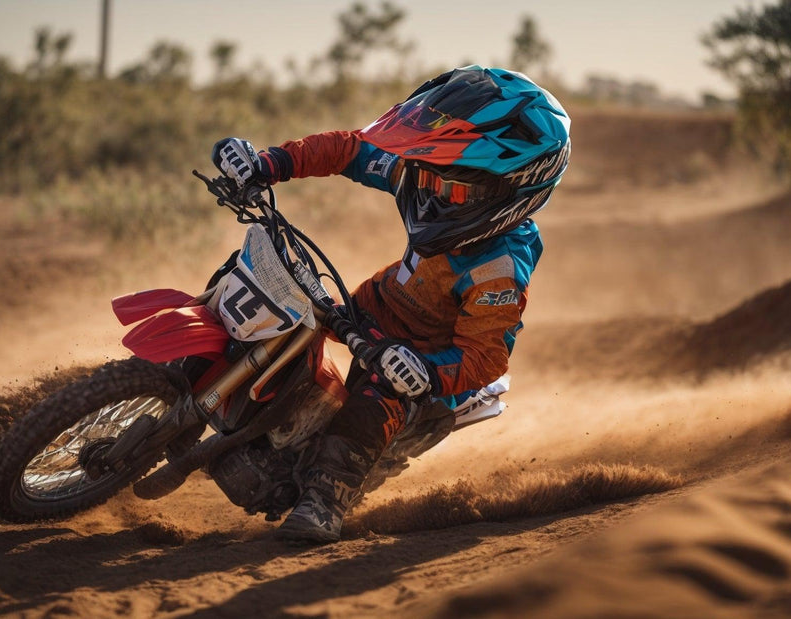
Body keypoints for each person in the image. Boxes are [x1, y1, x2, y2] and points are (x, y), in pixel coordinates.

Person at [210, 65, 571, 543]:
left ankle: (323, 503)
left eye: (455, 188)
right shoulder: (423, 176)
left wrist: (426, 369)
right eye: (432, 175)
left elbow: (487, 355)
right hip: (378, 312)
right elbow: (352, 148)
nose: (434, 194)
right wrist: (270, 163)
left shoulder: (499, 267)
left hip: (428, 367)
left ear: (514, 191)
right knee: (280, 309)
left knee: (376, 398)